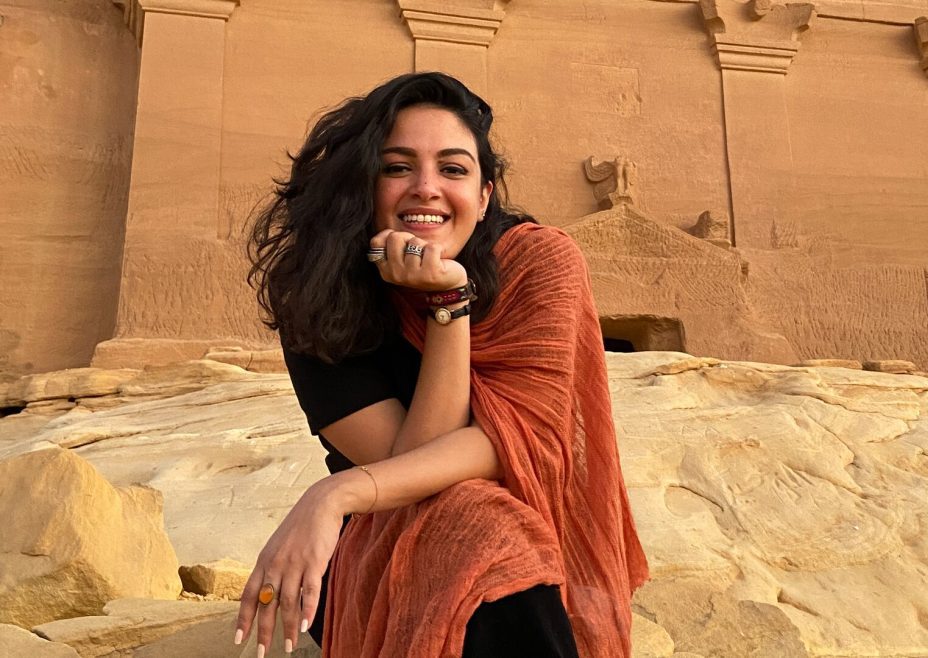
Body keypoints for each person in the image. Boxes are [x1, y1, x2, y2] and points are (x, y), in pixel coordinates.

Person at [239, 72, 648, 658]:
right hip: (380, 536)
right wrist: (445, 308)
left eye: (453, 169)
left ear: (484, 198)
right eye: (397, 166)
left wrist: (329, 496)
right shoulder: (317, 288)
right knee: (474, 518)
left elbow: (521, 440)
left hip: (521, 527)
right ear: (364, 185)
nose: (426, 188)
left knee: (488, 524)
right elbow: (414, 472)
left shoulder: (538, 261)